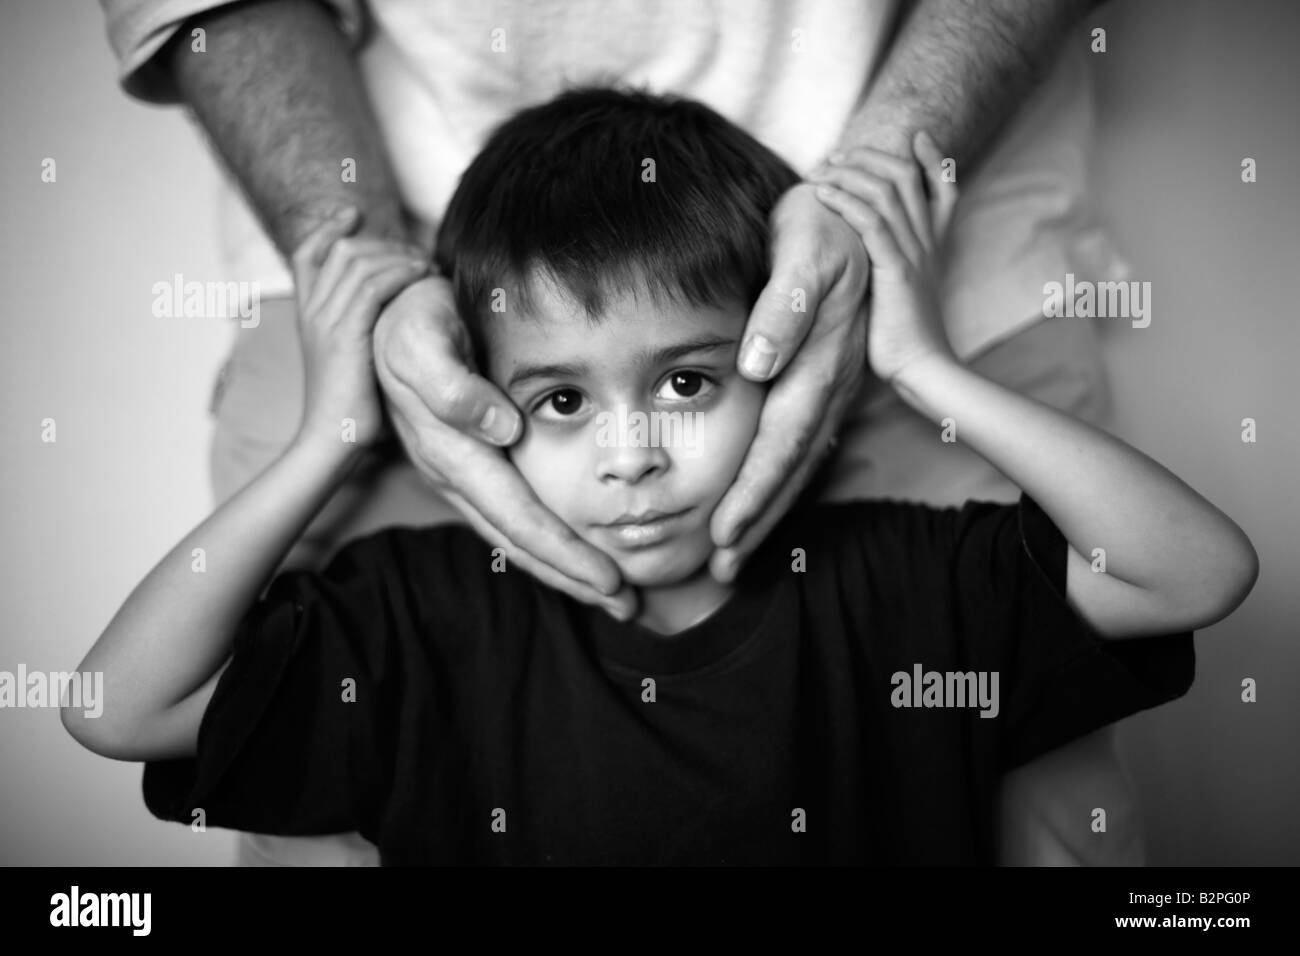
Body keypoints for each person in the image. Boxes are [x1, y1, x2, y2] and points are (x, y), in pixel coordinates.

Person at [63, 88, 1257, 865]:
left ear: (788, 369)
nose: (631, 451)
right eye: (562, 401)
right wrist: (333, 431)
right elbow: (118, 709)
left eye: (686, 383)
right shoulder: (414, 615)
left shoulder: (903, 582)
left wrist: (916, 362)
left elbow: (1194, 572)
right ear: (476, 410)